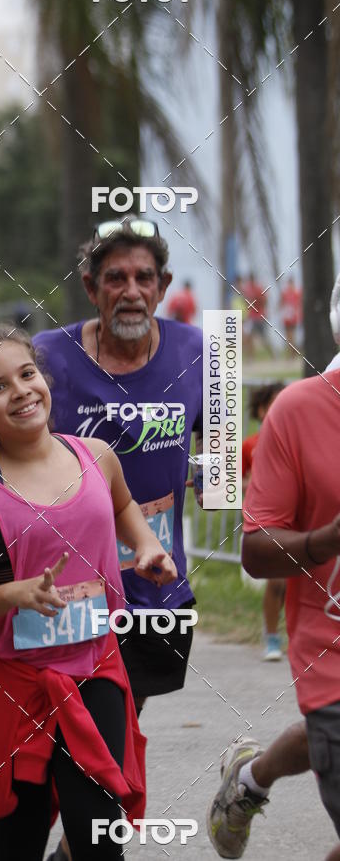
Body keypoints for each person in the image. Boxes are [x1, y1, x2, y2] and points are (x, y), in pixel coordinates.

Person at [0, 324, 178, 861]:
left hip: (95, 669)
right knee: (20, 843)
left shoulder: (97, 456)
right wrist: (11, 595)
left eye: (27, 374)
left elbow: (124, 506)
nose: (21, 391)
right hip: (14, 687)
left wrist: (147, 546)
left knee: (98, 838)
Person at [33, 218, 203, 719]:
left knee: (123, 721)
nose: (131, 292)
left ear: (162, 286)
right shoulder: (48, 355)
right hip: (66, 583)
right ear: (91, 288)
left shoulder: (197, 352)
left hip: (154, 581)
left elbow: (218, 448)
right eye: (115, 278)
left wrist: (211, 473)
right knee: (65, 726)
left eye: (143, 277)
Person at [207, 280, 340, 860]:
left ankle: (249, 779)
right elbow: (256, 547)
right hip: (331, 650)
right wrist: (324, 540)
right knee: (329, 729)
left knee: (320, 738)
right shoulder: (301, 410)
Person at [241, 383, 285, 661]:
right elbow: (233, 481)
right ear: (260, 410)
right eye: (273, 404)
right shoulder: (250, 445)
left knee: (298, 585)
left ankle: (304, 635)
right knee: (278, 581)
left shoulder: (297, 439)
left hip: (297, 518)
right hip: (265, 519)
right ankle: (272, 637)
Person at [280, 276, 302, 351]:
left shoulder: (297, 293)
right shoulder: (285, 293)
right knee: (288, 335)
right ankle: (291, 351)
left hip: (293, 317)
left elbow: (299, 304)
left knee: (292, 335)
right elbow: (282, 303)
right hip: (287, 317)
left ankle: (293, 351)